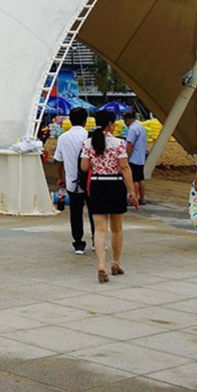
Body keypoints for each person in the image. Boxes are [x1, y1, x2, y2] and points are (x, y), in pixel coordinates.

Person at [80, 110, 138, 282]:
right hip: (115, 185)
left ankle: (101, 265)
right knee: (117, 228)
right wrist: (132, 190)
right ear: (110, 124)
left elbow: (84, 167)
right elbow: (124, 167)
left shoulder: (88, 143)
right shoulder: (119, 143)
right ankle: (116, 263)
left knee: (99, 229)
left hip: (97, 185)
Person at [53, 107, 92, 254]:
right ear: (85, 121)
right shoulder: (89, 136)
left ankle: (78, 243)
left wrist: (61, 178)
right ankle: (96, 239)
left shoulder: (63, 137)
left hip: (72, 182)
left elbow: (58, 160)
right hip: (89, 182)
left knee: (76, 213)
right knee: (94, 211)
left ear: (70, 120)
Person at [123, 111, 148, 205]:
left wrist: (127, 156)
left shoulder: (133, 129)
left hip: (134, 158)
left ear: (128, 119)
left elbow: (130, 144)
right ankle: (142, 198)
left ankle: (135, 199)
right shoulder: (141, 127)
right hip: (141, 157)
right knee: (141, 179)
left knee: (134, 180)